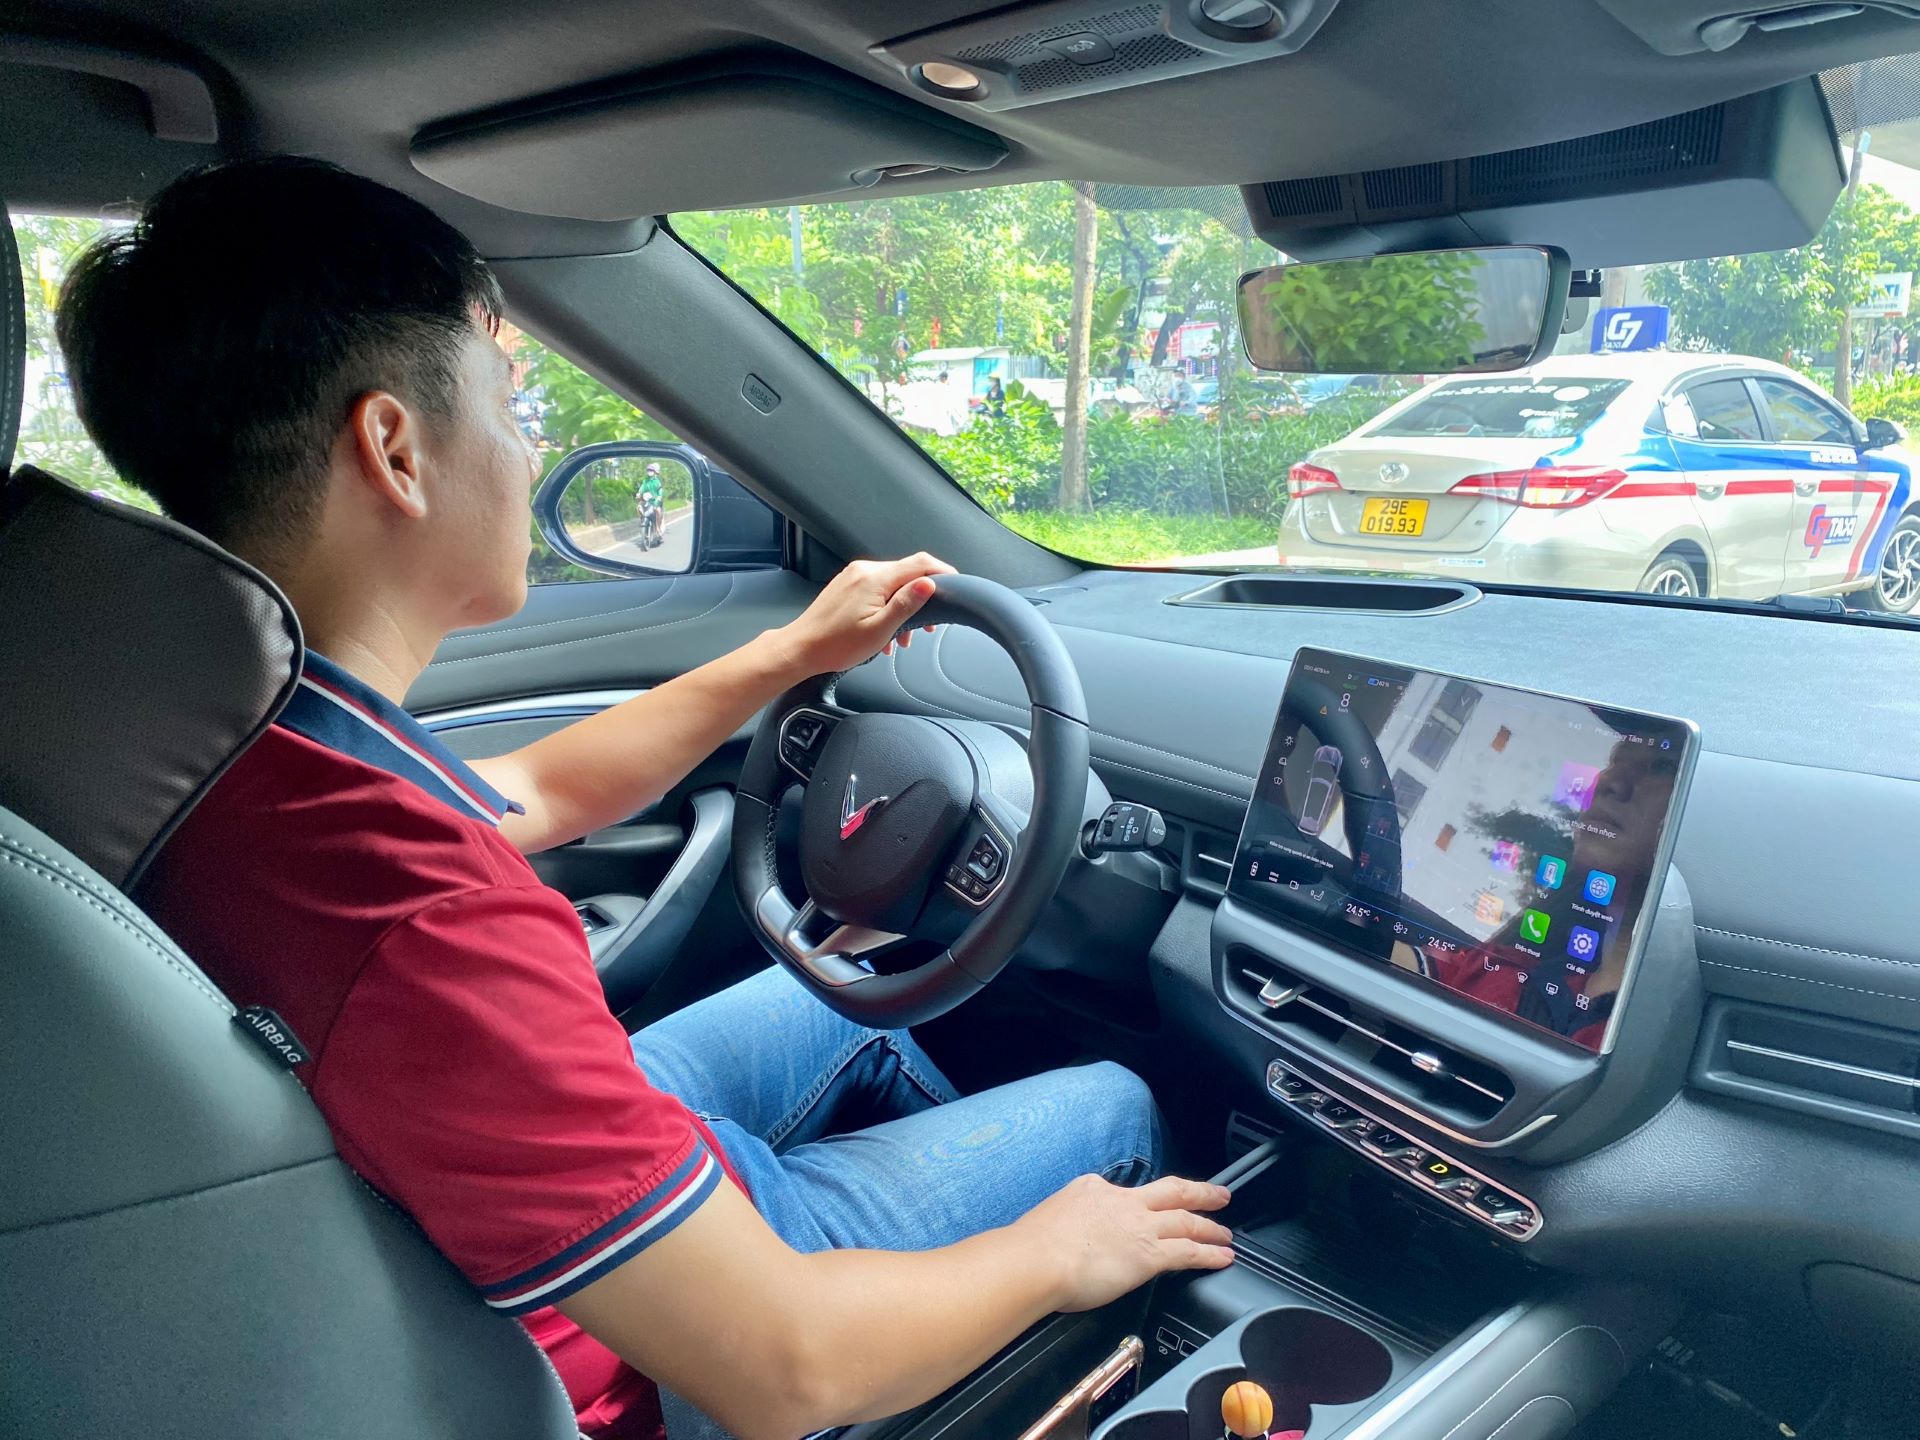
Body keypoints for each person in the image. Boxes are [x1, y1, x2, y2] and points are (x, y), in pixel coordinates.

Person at [56, 157, 1233, 1440]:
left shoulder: (228, 751)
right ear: (394, 449)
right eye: (509, 403)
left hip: (503, 1212)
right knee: (1113, 1113)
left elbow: (539, 787)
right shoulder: (424, 917)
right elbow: (786, 1370)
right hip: (638, 1347)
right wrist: (1052, 1253)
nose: (528, 448)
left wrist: (793, 652)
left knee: (840, 985)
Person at [637, 461, 664, 547]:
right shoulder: (645, 480)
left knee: (658, 510)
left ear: (654, 471)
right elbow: (642, 488)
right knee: (638, 507)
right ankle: (642, 519)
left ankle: (658, 528)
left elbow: (660, 492)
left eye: (651, 470)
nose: (649, 472)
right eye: (648, 470)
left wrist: (658, 498)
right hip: (647, 501)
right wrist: (639, 493)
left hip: (655, 501)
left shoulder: (657, 481)